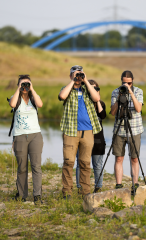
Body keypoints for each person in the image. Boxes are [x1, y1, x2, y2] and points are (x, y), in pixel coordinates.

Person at [58, 65, 101, 199]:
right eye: (75, 75)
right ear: (70, 76)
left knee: (85, 163)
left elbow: (96, 98)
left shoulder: (88, 89)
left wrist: (86, 81)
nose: (78, 78)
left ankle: (85, 191)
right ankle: (67, 191)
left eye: (80, 75)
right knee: (69, 161)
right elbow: (62, 96)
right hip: (71, 131)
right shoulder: (67, 89)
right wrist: (73, 81)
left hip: (87, 130)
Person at [9, 75, 44, 204]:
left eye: (27, 84)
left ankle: (37, 195)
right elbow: (12, 104)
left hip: (35, 135)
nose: (25, 87)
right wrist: (18, 89)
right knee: (22, 166)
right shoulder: (16, 99)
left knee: (36, 166)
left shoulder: (33, 99)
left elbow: (40, 104)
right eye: (22, 84)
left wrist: (32, 89)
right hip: (20, 136)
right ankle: (22, 194)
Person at [110, 70, 144, 196]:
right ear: (121, 81)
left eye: (129, 83)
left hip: (135, 129)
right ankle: (119, 185)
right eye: (124, 83)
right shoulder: (115, 91)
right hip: (119, 130)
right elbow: (113, 112)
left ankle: (135, 184)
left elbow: (138, 109)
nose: (126, 84)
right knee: (119, 157)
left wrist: (130, 92)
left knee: (134, 158)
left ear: (132, 81)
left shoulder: (138, 91)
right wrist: (119, 97)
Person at [75, 80, 106, 193]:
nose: (93, 91)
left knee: (97, 165)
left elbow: (102, 115)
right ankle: (80, 187)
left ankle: (98, 187)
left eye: (95, 89)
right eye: (90, 89)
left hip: (97, 139)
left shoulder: (101, 104)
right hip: (83, 137)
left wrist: (96, 99)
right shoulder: (82, 103)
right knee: (81, 163)